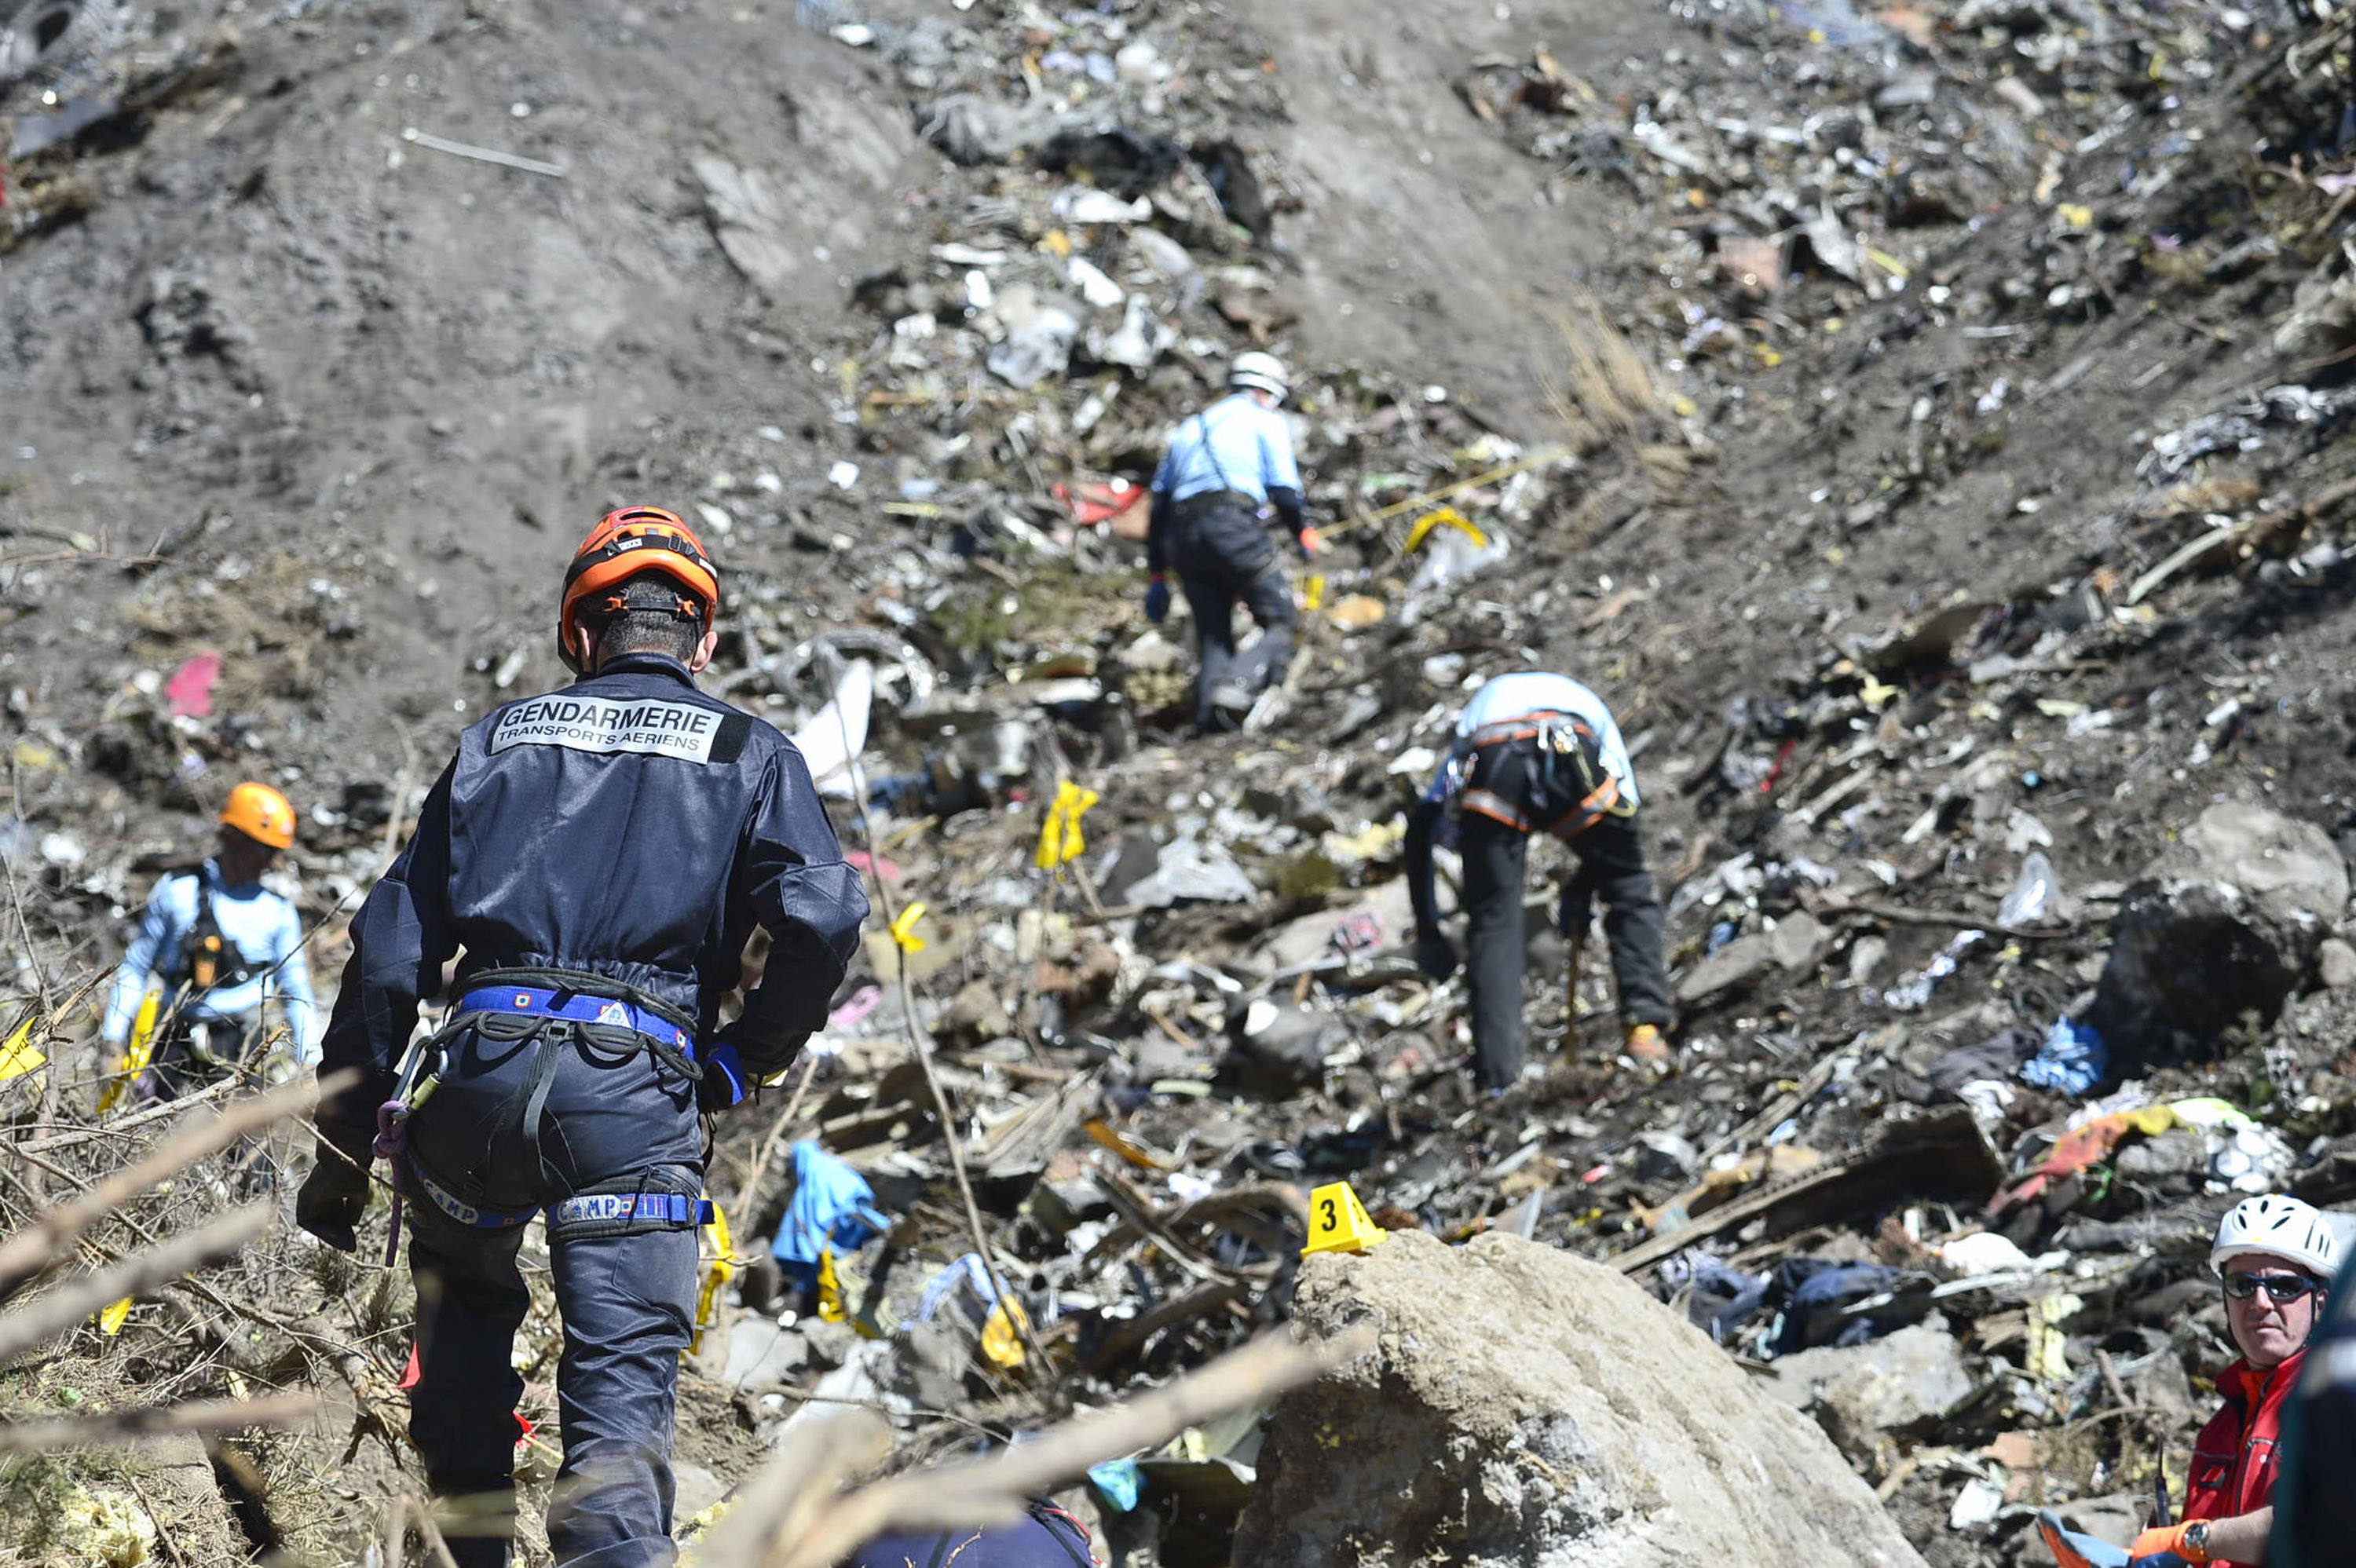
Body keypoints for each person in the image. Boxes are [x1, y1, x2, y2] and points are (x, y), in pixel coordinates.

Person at [295, 506, 869, 1568]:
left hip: (472, 1084)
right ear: (702, 641)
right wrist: (747, 1054)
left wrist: (338, 1166)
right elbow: (826, 918)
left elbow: (386, 953)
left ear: (578, 633)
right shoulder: (750, 751)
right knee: (616, 1418)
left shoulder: (496, 740)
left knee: (462, 1360)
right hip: (629, 1100)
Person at [1403, 671, 1673, 1090]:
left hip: (1494, 763)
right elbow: (1622, 833)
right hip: (1573, 752)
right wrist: (1593, 880)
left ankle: (1499, 1079)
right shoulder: (1587, 704)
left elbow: (1422, 823)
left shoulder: (1483, 712)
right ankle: (1646, 1031)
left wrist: (1428, 929)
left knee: (1494, 923)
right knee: (1629, 888)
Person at [2115, 1194, 2340, 1568]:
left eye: (2284, 1287)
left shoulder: (2336, 1404)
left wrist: (2190, 1540)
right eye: (2242, 1285)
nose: (2261, 1302)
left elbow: (2316, 1526)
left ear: (2320, 1303)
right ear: (2224, 1300)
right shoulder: (2221, 1428)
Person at [100, 782, 319, 1096]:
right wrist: (112, 1039)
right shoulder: (178, 890)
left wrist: (310, 1061)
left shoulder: (278, 911)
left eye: (276, 852)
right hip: (174, 1037)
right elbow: (137, 965)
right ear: (232, 836)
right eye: (264, 849)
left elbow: (296, 988)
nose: (271, 862)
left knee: (242, 1141)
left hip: (243, 1044)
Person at [1141, 352, 1319, 733]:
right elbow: (1284, 490)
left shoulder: (1190, 427)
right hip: (1230, 525)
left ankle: (1209, 725)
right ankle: (1237, 684)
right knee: (1281, 620)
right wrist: (1302, 533)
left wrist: (1157, 576)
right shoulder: (1263, 420)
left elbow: (1157, 511)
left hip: (1183, 538)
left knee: (1214, 637)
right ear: (1264, 391)